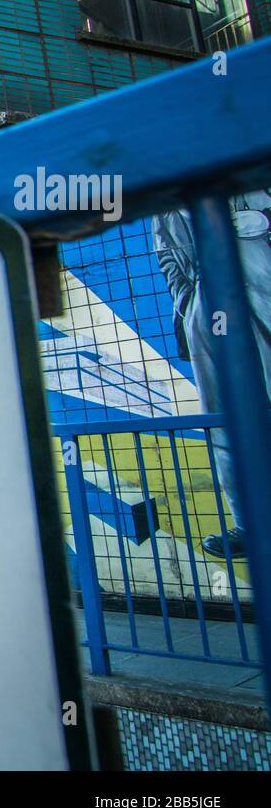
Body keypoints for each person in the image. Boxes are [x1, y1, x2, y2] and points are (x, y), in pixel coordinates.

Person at [153, 188, 271, 558]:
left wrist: (265, 222)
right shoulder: (168, 196)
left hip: (262, 286)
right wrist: (189, 306)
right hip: (209, 307)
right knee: (224, 420)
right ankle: (250, 524)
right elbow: (167, 255)